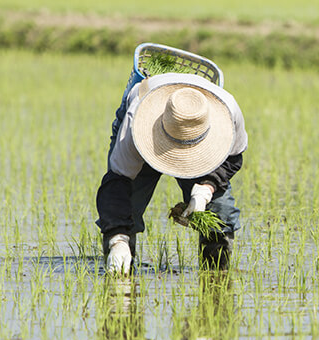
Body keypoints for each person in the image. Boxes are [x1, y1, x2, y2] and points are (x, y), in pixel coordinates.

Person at [95, 70, 248, 275]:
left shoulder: (228, 113)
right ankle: (120, 268)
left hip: (198, 140)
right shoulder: (135, 124)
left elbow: (233, 158)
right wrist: (117, 239)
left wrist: (206, 188)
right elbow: (117, 183)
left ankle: (215, 280)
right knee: (125, 211)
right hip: (147, 134)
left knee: (219, 215)